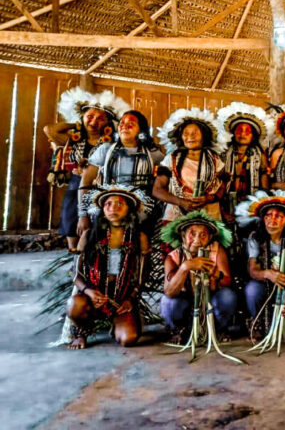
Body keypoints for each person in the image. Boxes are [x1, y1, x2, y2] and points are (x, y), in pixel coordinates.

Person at [45, 88, 129, 251]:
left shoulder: (110, 144)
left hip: (100, 188)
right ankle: (73, 256)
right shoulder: (74, 139)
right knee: (71, 219)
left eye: (100, 119)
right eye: (90, 116)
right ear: (82, 117)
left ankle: (90, 259)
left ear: (107, 123)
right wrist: (76, 123)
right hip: (75, 185)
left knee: (96, 225)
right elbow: (49, 130)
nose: (94, 121)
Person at [67, 185, 150, 349]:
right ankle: (82, 330)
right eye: (108, 204)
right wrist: (88, 291)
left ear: (129, 209)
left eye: (120, 204)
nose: (113, 208)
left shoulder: (138, 237)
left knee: (128, 339)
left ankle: (118, 323)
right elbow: (74, 272)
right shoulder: (90, 234)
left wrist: (131, 298)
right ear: (102, 209)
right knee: (74, 306)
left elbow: (143, 274)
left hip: (121, 299)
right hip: (92, 296)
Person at [77, 110, 164, 240]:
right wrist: (83, 216)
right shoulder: (105, 150)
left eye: (131, 123)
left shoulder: (153, 154)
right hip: (108, 209)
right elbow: (86, 182)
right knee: (88, 240)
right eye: (122, 123)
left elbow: (165, 181)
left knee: (142, 243)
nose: (124, 126)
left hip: (142, 210)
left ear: (141, 129)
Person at [159, 211, 237, 341]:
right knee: (168, 302)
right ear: (183, 236)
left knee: (228, 296)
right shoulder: (173, 257)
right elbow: (169, 291)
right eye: (192, 234)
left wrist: (215, 275)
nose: (197, 240)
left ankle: (217, 329)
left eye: (203, 235)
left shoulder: (217, 250)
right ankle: (179, 330)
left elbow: (227, 280)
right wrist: (186, 267)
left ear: (210, 237)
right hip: (185, 304)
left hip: (210, 303)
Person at [235, 191, 285, 335]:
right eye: (268, 215)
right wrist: (268, 274)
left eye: (278, 216)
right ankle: (257, 320)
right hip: (263, 285)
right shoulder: (255, 237)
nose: (272, 221)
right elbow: (252, 270)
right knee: (252, 290)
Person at [153, 108, 229, 223]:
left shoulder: (214, 159)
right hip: (177, 215)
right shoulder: (172, 159)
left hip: (209, 216)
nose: (190, 137)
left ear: (204, 135)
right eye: (186, 133)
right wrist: (181, 202)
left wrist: (209, 198)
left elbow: (223, 185)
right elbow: (157, 190)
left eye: (195, 133)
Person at [217, 102, 273, 211]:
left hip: (251, 202)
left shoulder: (260, 155)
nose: (242, 134)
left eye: (247, 131)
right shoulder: (223, 154)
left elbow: (264, 179)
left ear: (253, 136)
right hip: (225, 202)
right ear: (233, 134)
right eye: (239, 130)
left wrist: (261, 202)